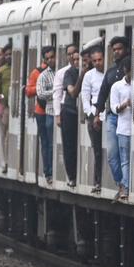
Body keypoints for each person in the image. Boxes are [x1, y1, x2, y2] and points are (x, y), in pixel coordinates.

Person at [95, 36, 130, 194]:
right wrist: (97, 114)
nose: (116, 52)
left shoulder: (130, 66)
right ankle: (120, 183)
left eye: (119, 49)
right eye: (114, 49)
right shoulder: (110, 71)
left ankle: (125, 186)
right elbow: (102, 94)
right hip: (111, 116)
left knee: (124, 154)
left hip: (126, 117)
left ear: (126, 49)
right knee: (111, 154)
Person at [80, 44, 105, 193]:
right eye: (94, 61)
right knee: (97, 149)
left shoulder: (108, 73)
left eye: (100, 60)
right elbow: (85, 96)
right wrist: (90, 113)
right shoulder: (89, 75)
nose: (97, 63)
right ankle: (97, 181)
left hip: (106, 114)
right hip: (93, 115)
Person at [109, 59, 132, 201]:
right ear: (125, 71)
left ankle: (126, 187)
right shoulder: (117, 86)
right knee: (123, 160)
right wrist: (124, 105)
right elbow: (114, 107)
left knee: (127, 160)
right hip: (123, 128)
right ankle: (124, 187)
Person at [58, 44, 81, 188]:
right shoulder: (69, 73)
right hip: (69, 111)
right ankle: (71, 176)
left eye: (80, 59)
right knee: (69, 145)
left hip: (82, 113)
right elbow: (72, 92)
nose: (77, 62)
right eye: (75, 60)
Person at [35, 46, 56, 184]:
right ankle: (48, 172)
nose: (51, 60)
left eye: (52, 57)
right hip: (49, 113)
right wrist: (56, 92)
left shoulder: (62, 72)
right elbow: (41, 93)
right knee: (48, 143)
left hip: (62, 112)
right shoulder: (43, 76)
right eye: (47, 58)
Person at [0, 46, 11, 172]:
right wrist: (3, 98)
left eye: (11, 54)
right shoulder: (2, 71)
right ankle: (5, 162)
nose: (9, 56)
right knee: (5, 135)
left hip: (17, 108)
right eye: (7, 54)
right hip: (6, 108)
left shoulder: (19, 69)